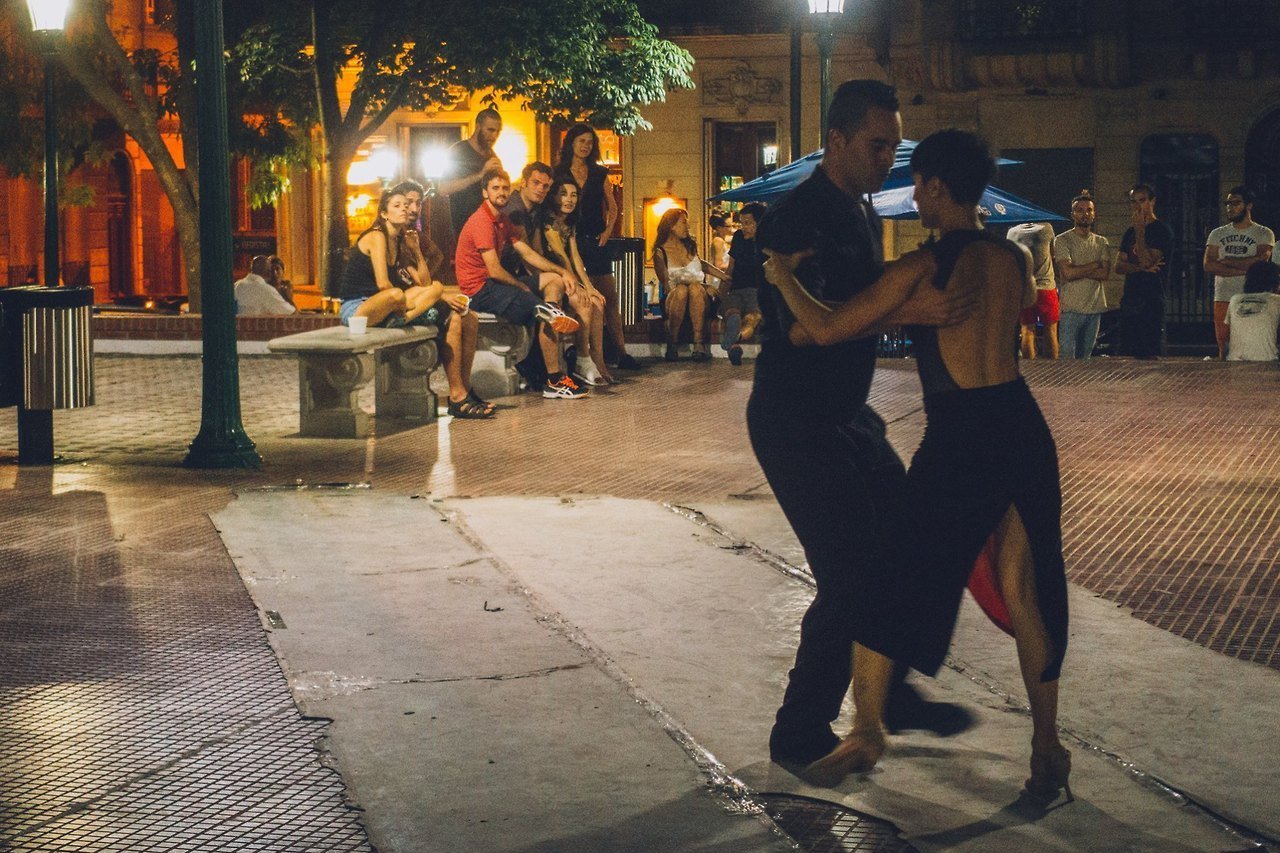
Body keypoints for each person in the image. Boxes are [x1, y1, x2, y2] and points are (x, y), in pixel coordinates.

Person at [765, 128, 1071, 800]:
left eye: (919, 185)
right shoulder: (1010, 259)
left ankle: (868, 727)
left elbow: (822, 327)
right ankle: (1047, 746)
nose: (914, 196)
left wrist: (783, 276)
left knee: (888, 576)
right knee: (1028, 592)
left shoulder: (922, 266)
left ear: (934, 186)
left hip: (961, 435)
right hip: (1021, 426)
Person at [748, 80, 976, 776]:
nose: (887, 159)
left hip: (850, 417)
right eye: (877, 145)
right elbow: (803, 326)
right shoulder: (797, 217)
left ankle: (892, 688)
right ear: (837, 141)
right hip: (795, 419)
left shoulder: (859, 211)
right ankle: (799, 729)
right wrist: (910, 312)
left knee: (904, 542)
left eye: (893, 147)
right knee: (849, 574)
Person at [453, 167, 589, 400]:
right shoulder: (482, 222)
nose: (501, 192)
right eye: (495, 188)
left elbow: (526, 252)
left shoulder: (502, 219)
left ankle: (552, 314)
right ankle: (554, 378)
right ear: (485, 192)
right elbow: (494, 270)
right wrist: (521, 286)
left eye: (505, 188)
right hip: (479, 290)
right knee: (543, 308)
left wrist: (562, 272)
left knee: (553, 283)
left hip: (496, 285)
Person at [393, 180, 490, 419]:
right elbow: (420, 284)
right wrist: (443, 296)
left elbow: (433, 260)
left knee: (470, 317)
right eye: (409, 202)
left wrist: (417, 251)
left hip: (419, 296)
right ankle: (456, 395)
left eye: (418, 202)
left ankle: (464, 390)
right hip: (404, 303)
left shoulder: (412, 234)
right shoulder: (392, 235)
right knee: (456, 318)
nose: (414, 208)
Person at [554, 124, 642, 371]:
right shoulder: (560, 173)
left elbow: (613, 207)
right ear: (571, 142)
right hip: (569, 238)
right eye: (581, 141)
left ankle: (621, 352)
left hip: (594, 238)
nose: (585, 146)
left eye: (589, 142)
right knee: (580, 295)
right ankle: (584, 353)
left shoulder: (598, 173)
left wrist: (607, 231)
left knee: (609, 297)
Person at [544, 176, 613, 385]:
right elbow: (561, 258)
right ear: (555, 196)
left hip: (567, 276)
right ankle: (583, 359)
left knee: (597, 302)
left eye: (573, 195)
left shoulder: (570, 223)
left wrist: (590, 287)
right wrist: (578, 288)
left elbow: (575, 257)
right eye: (564, 194)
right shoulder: (548, 222)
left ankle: (597, 359)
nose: (569, 200)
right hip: (551, 277)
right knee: (584, 303)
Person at [1204, 186, 1274, 360]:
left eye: (1236, 203)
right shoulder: (1217, 234)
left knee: (1250, 345)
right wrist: (1245, 268)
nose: (1230, 207)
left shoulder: (1263, 233)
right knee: (1224, 345)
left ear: (1248, 205)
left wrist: (1227, 261)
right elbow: (1208, 265)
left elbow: (1260, 261)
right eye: (1228, 203)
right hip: (1223, 295)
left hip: (1251, 295)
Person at [652, 208, 727, 362]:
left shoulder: (690, 245)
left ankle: (699, 344)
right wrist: (704, 286)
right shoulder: (660, 252)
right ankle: (672, 341)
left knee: (694, 288)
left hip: (698, 297)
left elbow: (702, 265)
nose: (688, 227)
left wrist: (724, 276)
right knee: (681, 290)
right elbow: (667, 285)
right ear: (671, 225)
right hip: (674, 299)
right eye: (684, 223)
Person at [1115, 183, 1174, 359]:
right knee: (1126, 352)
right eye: (1133, 201)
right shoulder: (1129, 233)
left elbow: (1148, 261)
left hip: (1152, 299)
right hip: (1131, 298)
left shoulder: (1161, 231)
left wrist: (1140, 231)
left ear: (1152, 202)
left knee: (1149, 353)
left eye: (1142, 201)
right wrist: (1139, 268)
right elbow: (1119, 266)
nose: (1137, 206)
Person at [1053, 191, 1111, 359]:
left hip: (1095, 308)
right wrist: (1094, 264)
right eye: (1079, 210)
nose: (1084, 214)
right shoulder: (1063, 240)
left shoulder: (1101, 242)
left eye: (1089, 210)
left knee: (1085, 359)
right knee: (1066, 358)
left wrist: (1079, 269)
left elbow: (1105, 273)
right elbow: (1067, 273)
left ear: (1094, 214)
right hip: (1071, 309)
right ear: (1073, 214)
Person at [440, 108, 504, 236]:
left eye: (498, 131)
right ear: (478, 127)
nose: (494, 136)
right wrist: (480, 175)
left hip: (487, 226)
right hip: (463, 226)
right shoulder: (458, 151)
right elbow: (443, 189)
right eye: (490, 130)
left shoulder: (492, 156)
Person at [720, 202, 765, 365]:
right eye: (742, 223)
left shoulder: (766, 242)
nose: (743, 227)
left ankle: (734, 343)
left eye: (748, 223)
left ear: (759, 223)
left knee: (741, 315)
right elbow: (730, 266)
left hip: (752, 291)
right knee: (749, 317)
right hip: (743, 290)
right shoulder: (739, 237)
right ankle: (736, 336)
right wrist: (721, 291)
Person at [1007, 222, 1059, 358]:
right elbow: (1053, 253)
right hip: (1046, 287)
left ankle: (1030, 369)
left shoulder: (1011, 232)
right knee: (1051, 329)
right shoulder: (1047, 228)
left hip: (1025, 289)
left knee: (1027, 330)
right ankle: (1053, 369)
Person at [1225, 261, 1280, 362]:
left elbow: (1227, 332)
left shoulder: (1235, 300)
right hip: (1268, 360)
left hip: (1235, 360)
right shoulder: (1276, 300)